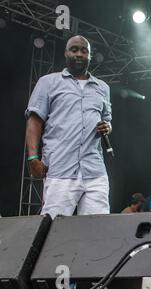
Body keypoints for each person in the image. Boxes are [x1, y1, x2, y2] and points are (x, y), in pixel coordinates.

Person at [25, 35, 112, 219]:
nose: (79, 54)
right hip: (60, 169)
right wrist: (33, 157)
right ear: (66, 53)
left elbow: (107, 120)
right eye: (74, 49)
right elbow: (34, 121)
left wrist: (107, 127)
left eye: (84, 51)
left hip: (94, 170)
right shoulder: (48, 82)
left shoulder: (102, 87)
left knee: (98, 231)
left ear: (90, 55)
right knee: (52, 229)